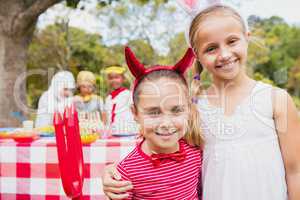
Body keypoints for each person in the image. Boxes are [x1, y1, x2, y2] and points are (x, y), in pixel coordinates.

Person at [101, 1, 300, 200]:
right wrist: (112, 171)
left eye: (232, 41)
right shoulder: (194, 107)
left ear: (246, 38)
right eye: (211, 48)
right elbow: (160, 144)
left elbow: (295, 171)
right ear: (196, 55)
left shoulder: (276, 100)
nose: (224, 54)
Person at [116, 46, 203, 199]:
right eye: (154, 112)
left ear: (188, 109)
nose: (166, 123)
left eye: (176, 110)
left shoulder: (196, 154)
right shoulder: (127, 172)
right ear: (135, 113)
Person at [104, 66, 138, 135]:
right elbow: (107, 116)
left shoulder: (128, 94)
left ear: (123, 79)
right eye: (111, 78)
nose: (114, 80)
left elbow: (135, 110)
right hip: (112, 132)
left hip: (127, 131)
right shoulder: (108, 98)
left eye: (116, 77)